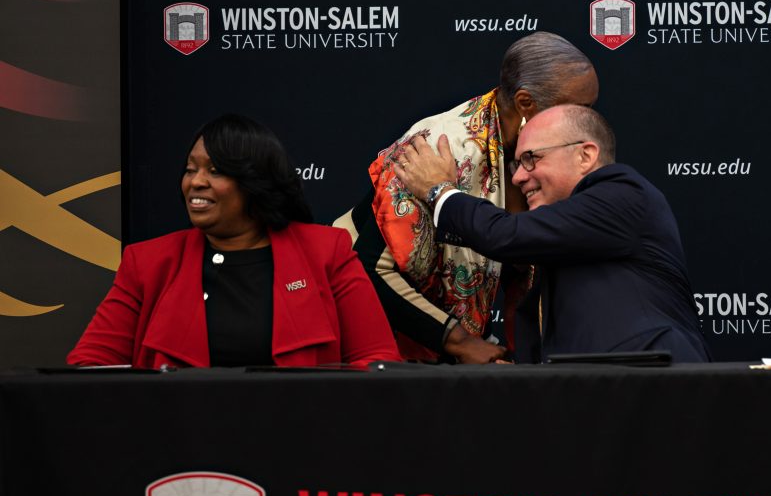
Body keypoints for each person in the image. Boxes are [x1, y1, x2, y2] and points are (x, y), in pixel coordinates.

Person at [333, 31, 598, 363]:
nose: (590, 124)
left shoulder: (540, 155)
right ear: (525, 103)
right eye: (580, 110)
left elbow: (522, 266)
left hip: (450, 341)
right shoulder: (435, 146)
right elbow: (368, 268)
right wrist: (459, 342)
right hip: (375, 336)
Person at [68, 114, 401, 368]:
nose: (195, 182)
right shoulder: (147, 263)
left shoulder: (328, 252)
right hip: (181, 448)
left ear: (255, 182)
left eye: (215, 171)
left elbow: (377, 362)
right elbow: (91, 369)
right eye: (190, 169)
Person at [393, 104, 711, 363]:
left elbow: (505, 235)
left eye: (531, 158)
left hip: (660, 391)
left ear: (585, 155)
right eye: (516, 163)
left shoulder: (623, 193)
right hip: (598, 407)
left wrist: (440, 191)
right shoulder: (568, 241)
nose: (517, 177)